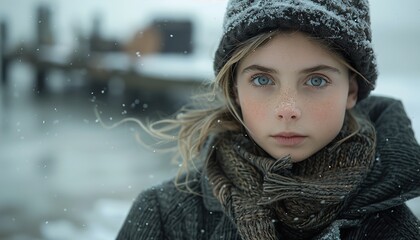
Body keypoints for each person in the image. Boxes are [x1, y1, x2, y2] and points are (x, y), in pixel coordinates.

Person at [116, 0, 420, 239]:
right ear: (235, 89)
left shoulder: (395, 229)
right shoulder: (165, 216)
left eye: (315, 81)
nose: (288, 109)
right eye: (262, 80)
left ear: (351, 90)